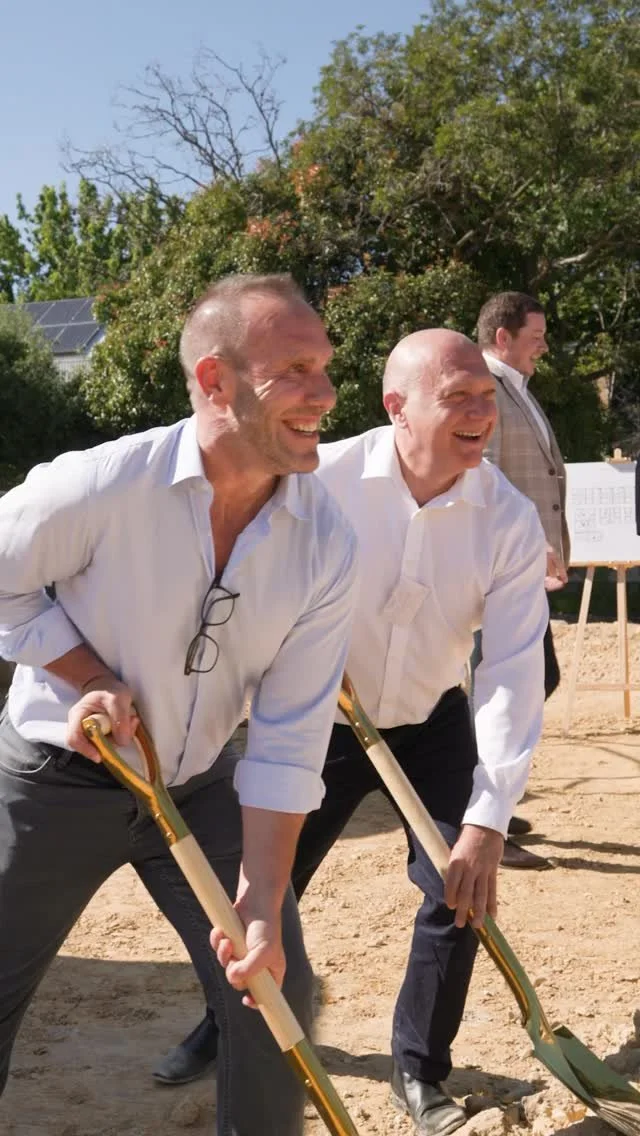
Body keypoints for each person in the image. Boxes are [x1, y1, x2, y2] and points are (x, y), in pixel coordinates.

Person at [158, 329, 548, 1136]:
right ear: (396, 407)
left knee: (457, 890)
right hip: (319, 720)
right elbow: (242, 579)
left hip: (432, 721)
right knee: (265, 888)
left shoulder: (507, 518)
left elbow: (511, 671)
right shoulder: (317, 480)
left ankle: (419, 1068)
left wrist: (489, 816)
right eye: (458, 397)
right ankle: (223, 1023)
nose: (481, 414)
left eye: (488, 397)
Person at [0, 273, 358, 1136]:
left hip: (199, 787)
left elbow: (290, 736)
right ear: (214, 381)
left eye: (324, 367)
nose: (323, 393)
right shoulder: (100, 487)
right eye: (295, 370)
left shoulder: (328, 540)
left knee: (272, 992)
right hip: (52, 785)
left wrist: (262, 899)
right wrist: (85, 668)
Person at [476, 291, 570, 870]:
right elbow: (482, 474)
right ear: (503, 336)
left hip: (519, 570)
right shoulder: (486, 388)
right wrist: (529, 542)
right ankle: (481, 815)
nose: (544, 346)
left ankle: (491, 810)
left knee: (531, 681)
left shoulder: (515, 388)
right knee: (507, 691)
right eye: (535, 336)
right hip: (499, 569)